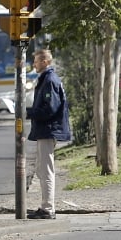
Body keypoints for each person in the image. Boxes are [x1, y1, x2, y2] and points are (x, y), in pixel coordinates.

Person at [26, 48, 71, 219]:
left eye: (36, 61)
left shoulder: (49, 80)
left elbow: (50, 108)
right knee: (41, 169)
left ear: (45, 62)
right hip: (45, 130)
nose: (34, 64)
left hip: (48, 129)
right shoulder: (47, 79)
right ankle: (45, 206)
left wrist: (31, 113)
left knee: (46, 170)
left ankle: (48, 209)